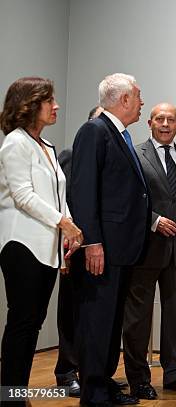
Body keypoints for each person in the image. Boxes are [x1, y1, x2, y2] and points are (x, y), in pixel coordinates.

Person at [0, 77, 82, 398]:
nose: (56, 106)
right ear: (29, 105)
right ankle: (9, 396)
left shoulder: (45, 145)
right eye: (49, 100)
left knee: (32, 322)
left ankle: (15, 394)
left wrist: (69, 226)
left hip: (46, 248)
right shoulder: (15, 143)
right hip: (21, 245)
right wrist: (64, 222)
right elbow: (23, 196)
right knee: (22, 323)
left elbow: (57, 195)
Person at [70, 73, 149, 406]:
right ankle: (94, 392)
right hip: (104, 247)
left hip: (123, 247)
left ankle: (104, 383)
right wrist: (93, 242)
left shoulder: (120, 134)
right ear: (125, 99)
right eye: (139, 96)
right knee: (98, 322)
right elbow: (84, 191)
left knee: (112, 321)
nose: (142, 102)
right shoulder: (95, 130)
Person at [122, 103, 176, 399]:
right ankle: (138, 379)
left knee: (175, 317)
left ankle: (174, 374)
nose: (166, 124)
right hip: (145, 249)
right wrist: (154, 221)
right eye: (160, 118)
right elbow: (127, 200)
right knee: (138, 318)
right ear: (149, 123)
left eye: (171, 120)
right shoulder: (135, 154)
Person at [54, 104, 105, 398]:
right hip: (75, 247)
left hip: (103, 250)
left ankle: (92, 373)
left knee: (96, 315)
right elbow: (68, 203)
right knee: (71, 311)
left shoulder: (114, 159)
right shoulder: (71, 156)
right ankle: (65, 372)